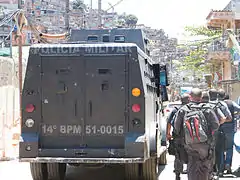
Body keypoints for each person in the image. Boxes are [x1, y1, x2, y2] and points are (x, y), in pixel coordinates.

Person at [174, 88, 220, 180]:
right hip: (205, 143)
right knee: (205, 164)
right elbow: (216, 125)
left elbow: (176, 127)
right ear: (201, 97)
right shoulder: (207, 109)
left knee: (192, 164)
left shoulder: (184, 109)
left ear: (190, 97)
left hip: (189, 142)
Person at [166, 93, 190, 180]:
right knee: (190, 155)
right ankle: (190, 174)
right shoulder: (191, 109)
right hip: (190, 137)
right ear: (189, 100)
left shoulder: (175, 110)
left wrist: (168, 134)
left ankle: (177, 174)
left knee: (178, 155)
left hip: (177, 136)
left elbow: (169, 122)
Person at [209, 88, 232, 176]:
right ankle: (219, 171)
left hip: (205, 133)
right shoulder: (221, 104)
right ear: (217, 95)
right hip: (218, 131)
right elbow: (229, 118)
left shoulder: (203, 104)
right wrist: (217, 124)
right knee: (219, 151)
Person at [220, 91, 240, 174]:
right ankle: (228, 164)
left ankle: (220, 167)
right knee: (229, 147)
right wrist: (236, 116)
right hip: (230, 128)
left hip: (220, 128)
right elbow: (239, 109)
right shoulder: (231, 103)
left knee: (220, 148)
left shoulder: (218, 104)